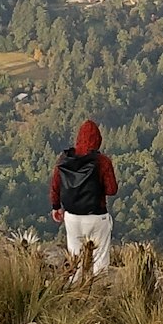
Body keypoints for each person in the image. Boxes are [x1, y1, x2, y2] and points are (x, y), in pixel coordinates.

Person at [50, 119, 119, 278]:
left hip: (72, 216)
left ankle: (75, 292)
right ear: (98, 140)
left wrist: (56, 207)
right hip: (97, 216)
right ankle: (99, 292)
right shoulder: (102, 162)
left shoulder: (64, 159)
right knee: (100, 259)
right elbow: (112, 190)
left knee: (75, 259)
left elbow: (55, 184)